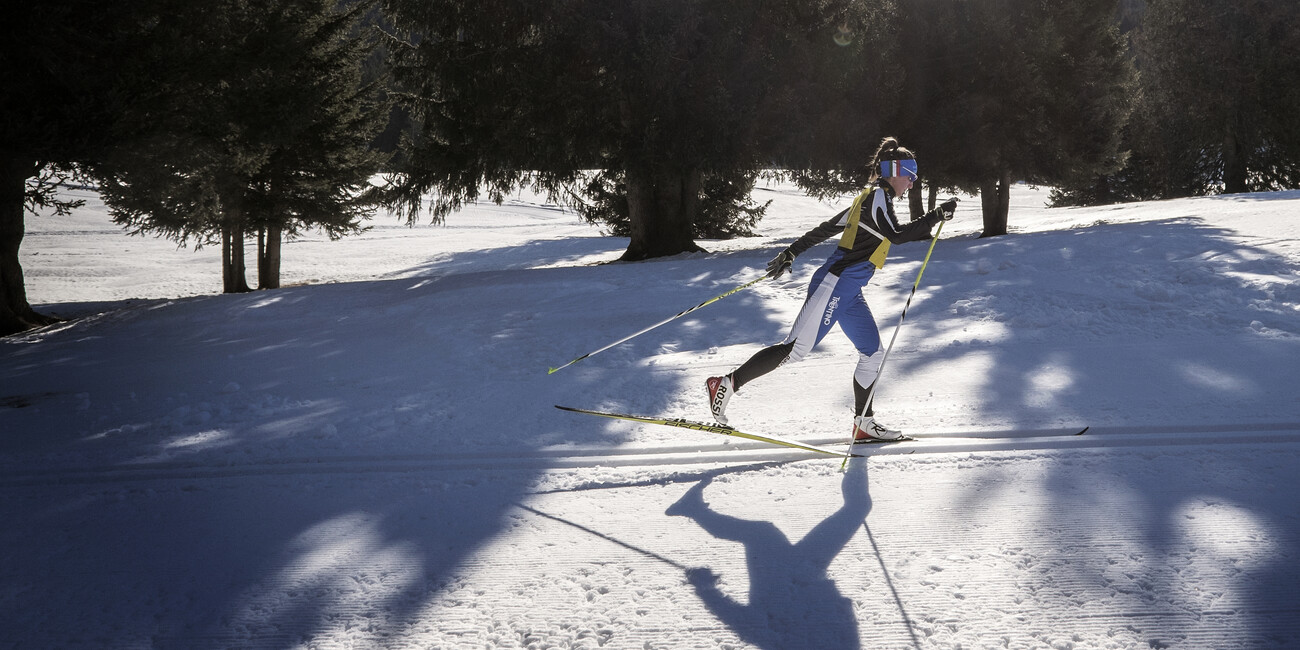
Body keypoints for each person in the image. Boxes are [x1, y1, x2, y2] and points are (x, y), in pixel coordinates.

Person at [705, 137, 956, 441]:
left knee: (873, 353)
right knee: (793, 350)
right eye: (910, 175)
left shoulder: (872, 200)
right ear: (893, 170)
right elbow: (898, 235)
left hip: (849, 291)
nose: (912, 183)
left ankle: (863, 423)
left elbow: (826, 228)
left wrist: (791, 253)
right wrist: (935, 215)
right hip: (835, 284)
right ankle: (727, 384)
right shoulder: (876, 196)